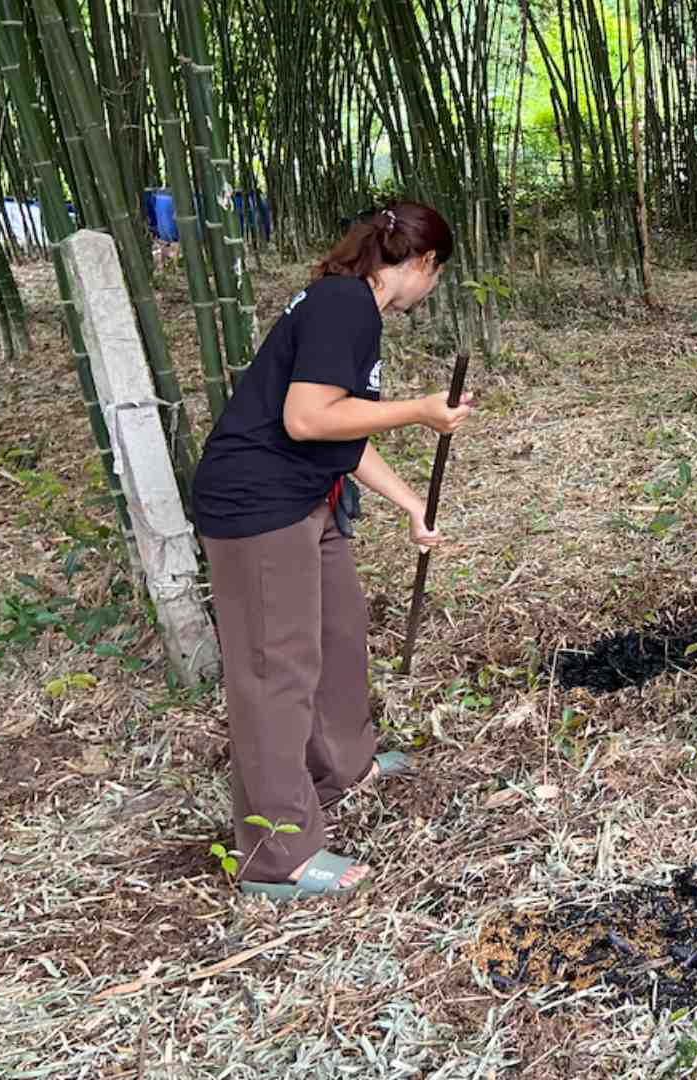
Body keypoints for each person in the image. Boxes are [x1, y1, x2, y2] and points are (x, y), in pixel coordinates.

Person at [192, 200, 472, 899]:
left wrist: (408, 501)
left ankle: (341, 764)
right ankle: (274, 852)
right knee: (274, 670)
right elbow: (307, 415)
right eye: (436, 276)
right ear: (422, 263)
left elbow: (336, 428)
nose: (430, 290)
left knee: (339, 630)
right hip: (258, 507)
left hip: (304, 497)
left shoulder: (347, 305)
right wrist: (421, 409)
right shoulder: (344, 305)